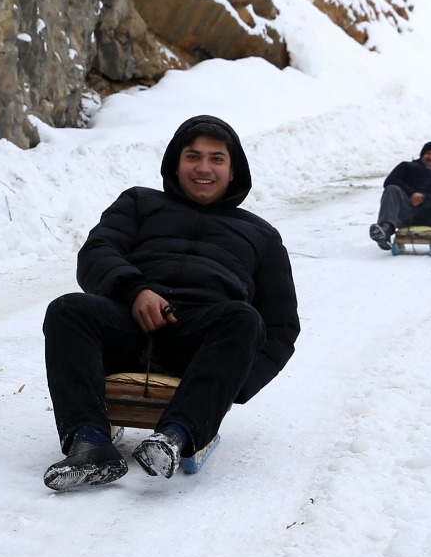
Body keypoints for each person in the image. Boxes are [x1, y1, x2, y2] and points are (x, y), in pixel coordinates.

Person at [40, 115, 299, 491]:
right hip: (129, 327)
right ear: (176, 164)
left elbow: (281, 326)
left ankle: (174, 438)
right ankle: (90, 444)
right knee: (68, 309)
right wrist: (135, 290)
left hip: (198, 344)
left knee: (244, 318)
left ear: (233, 170)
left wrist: (234, 383)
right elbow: (97, 252)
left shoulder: (262, 235)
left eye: (217, 158)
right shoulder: (139, 202)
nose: (204, 167)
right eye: (192, 156)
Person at [368, 141, 431, 251]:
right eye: (428, 153)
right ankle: (385, 230)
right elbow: (390, 180)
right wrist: (411, 193)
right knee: (392, 189)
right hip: (407, 211)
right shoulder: (407, 166)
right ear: (422, 155)